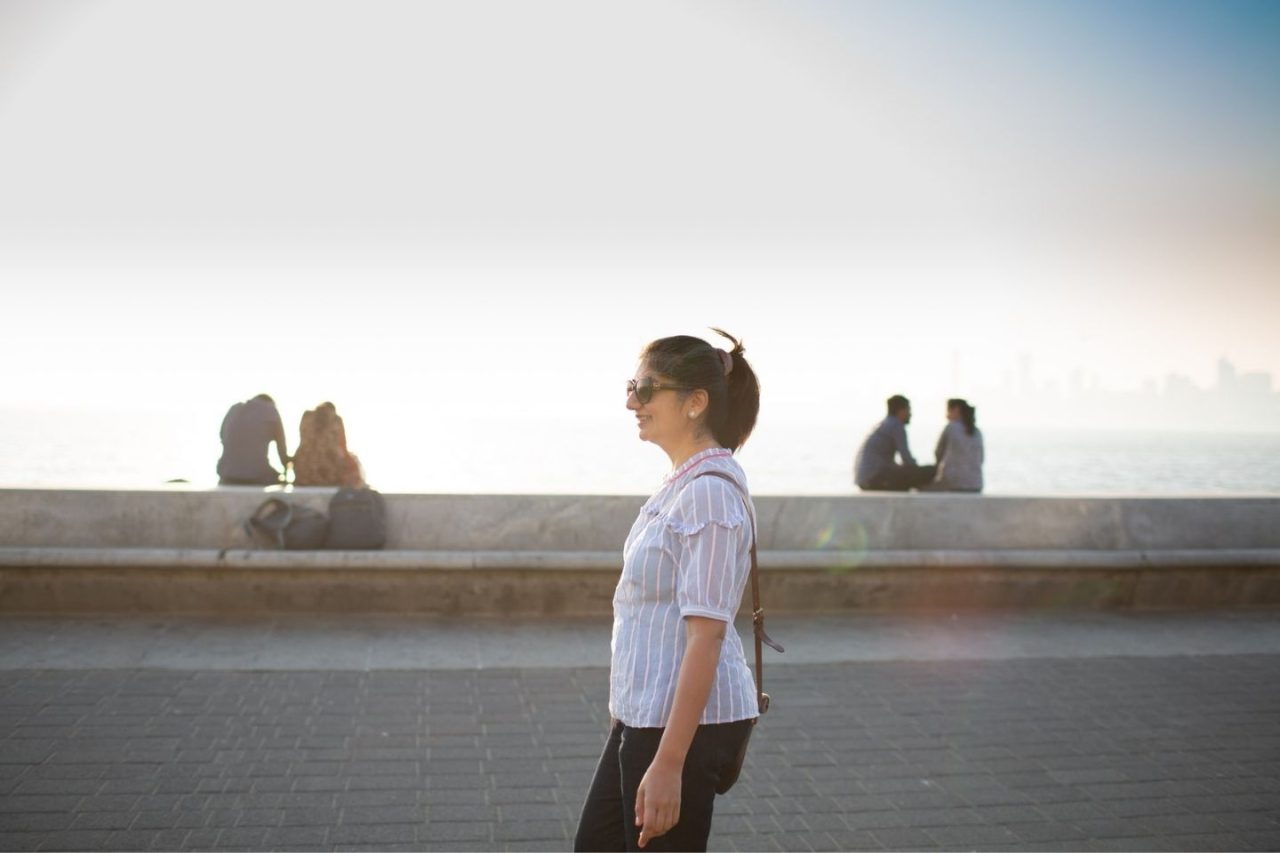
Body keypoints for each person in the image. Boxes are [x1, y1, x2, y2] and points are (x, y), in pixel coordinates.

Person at [575, 329, 762, 852]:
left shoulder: (708, 498)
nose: (631, 400)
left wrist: (668, 765)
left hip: (684, 730)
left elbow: (706, 638)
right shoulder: (680, 485)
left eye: (647, 387)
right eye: (633, 384)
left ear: (695, 403)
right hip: (645, 717)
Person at [853, 394, 936, 491]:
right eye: (908, 410)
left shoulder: (885, 424)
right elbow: (906, 458)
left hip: (866, 480)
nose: (910, 414)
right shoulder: (896, 426)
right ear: (901, 411)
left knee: (908, 475)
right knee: (931, 470)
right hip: (874, 480)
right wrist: (921, 472)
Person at [216, 393, 289, 486]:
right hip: (257, 477)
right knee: (277, 480)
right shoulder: (271, 412)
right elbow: (282, 451)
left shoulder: (234, 409)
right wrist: (287, 470)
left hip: (226, 474)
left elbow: (222, 437)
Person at [291, 402, 365, 488]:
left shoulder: (307, 416)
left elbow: (302, 438)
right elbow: (343, 447)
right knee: (352, 461)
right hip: (330, 477)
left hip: (304, 475)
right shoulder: (336, 420)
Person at [929, 398, 984, 492]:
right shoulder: (977, 432)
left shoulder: (951, 428)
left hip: (954, 483)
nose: (946, 415)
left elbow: (938, 453)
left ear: (956, 410)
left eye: (948, 411)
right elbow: (981, 458)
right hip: (976, 484)